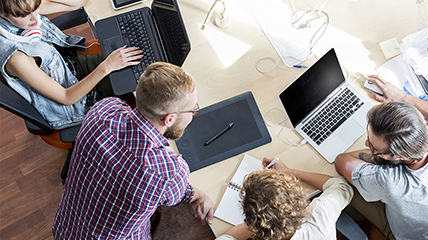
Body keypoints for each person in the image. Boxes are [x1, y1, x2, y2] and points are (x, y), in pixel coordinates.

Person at [52, 62, 214, 239]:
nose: (193, 114)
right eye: (193, 110)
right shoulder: (169, 172)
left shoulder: (103, 109)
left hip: (66, 229)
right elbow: (180, 192)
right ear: (169, 119)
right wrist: (201, 196)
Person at [0, 0, 143, 129]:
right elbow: (66, 97)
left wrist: (35, 3)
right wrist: (108, 66)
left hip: (70, 68)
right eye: (24, 15)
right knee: (144, 79)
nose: (34, 18)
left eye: (35, 8)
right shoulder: (17, 59)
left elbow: (78, 3)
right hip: (78, 102)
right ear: (3, 14)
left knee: (140, 57)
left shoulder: (25, 8)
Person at [335, 102, 428, 240]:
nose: (366, 144)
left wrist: (373, 158)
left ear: (399, 156)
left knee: (339, 185)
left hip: (407, 234)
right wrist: (378, 152)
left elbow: (341, 161)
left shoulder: (389, 181)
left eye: (373, 147)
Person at [216, 157, 354, 240]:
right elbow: (342, 187)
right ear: (298, 200)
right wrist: (290, 173)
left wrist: (257, 223)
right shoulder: (320, 215)